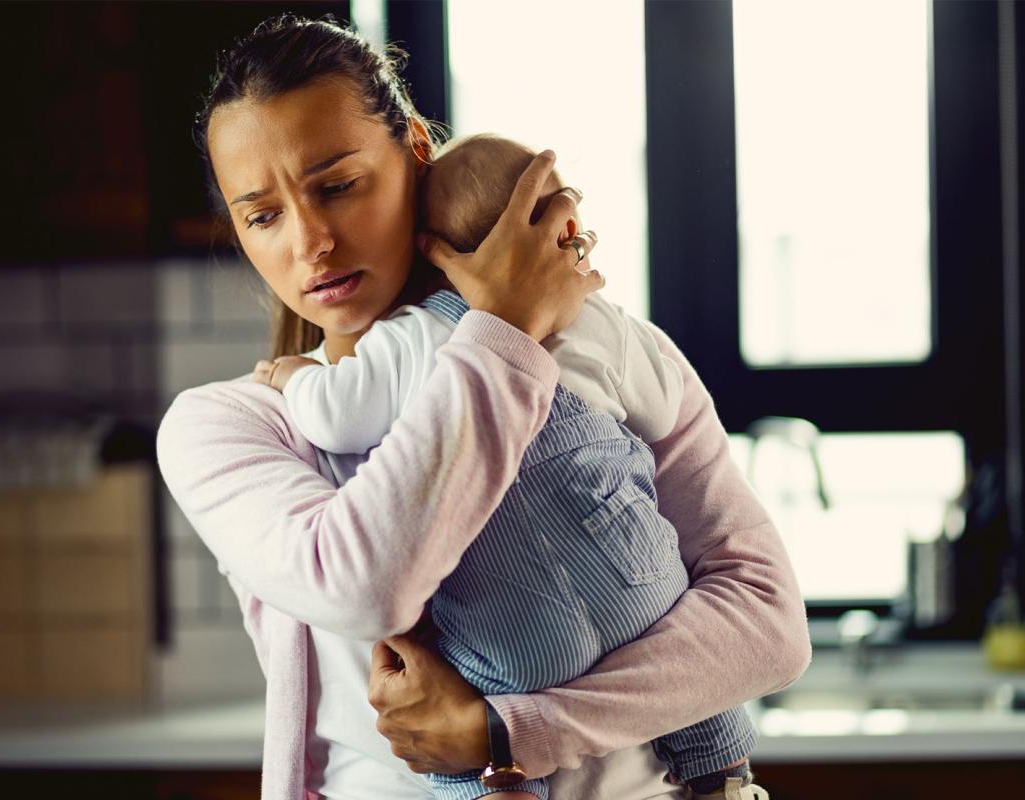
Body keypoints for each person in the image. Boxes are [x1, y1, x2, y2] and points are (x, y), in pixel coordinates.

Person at [156, 14, 810, 800]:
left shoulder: (602, 351)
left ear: (416, 153)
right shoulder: (234, 425)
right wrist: (500, 334)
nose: (311, 242)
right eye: (263, 215)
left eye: (337, 186)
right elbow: (369, 586)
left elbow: (769, 629)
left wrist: (507, 731)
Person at [255, 132, 761, 800]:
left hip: (521, 635)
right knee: (703, 689)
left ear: (427, 249)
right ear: (566, 230)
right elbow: (662, 412)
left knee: (449, 715)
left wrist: (294, 380)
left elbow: (336, 416)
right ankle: (720, 771)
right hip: (647, 595)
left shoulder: (413, 338)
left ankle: (500, 789)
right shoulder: (607, 326)